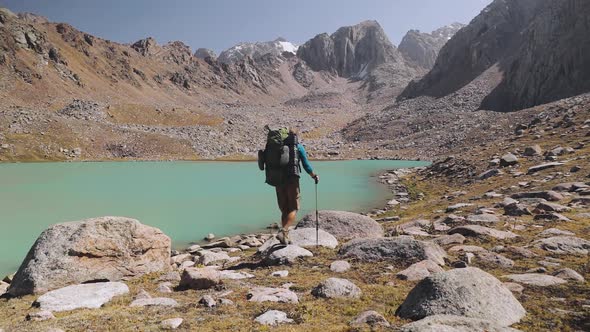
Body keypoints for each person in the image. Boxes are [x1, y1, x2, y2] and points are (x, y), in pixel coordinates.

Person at [265, 128, 319, 245]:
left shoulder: (277, 148)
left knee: (284, 208)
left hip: (278, 180)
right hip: (292, 179)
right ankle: (284, 231)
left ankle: (284, 236)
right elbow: (306, 165)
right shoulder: (297, 147)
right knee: (294, 207)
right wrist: (314, 176)